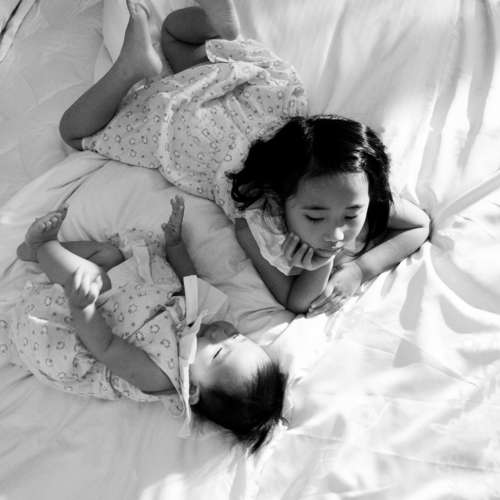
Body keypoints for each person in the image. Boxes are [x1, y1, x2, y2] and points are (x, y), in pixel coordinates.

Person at [59, 0, 430, 316]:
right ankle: (132, 69)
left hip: (252, 104)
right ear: (281, 196)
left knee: (175, 38)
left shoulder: (349, 190)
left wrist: (356, 269)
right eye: (315, 216)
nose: (336, 233)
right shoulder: (259, 217)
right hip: (201, 137)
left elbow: (419, 225)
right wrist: (330, 264)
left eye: (351, 216)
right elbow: (297, 301)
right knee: (74, 133)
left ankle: (209, 31)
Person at [6, 197, 287, 454]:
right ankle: (36, 252)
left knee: (90, 274)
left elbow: (106, 348)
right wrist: (175, 244)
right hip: (117, 300)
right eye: (237, 337)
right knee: (109, 255)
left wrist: (82, 307)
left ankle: (44, 246)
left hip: (76, 329)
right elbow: (189, 280)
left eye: (218, 353)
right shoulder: (198, 327)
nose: (221, 334)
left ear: (192, 390)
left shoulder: (162, 376)